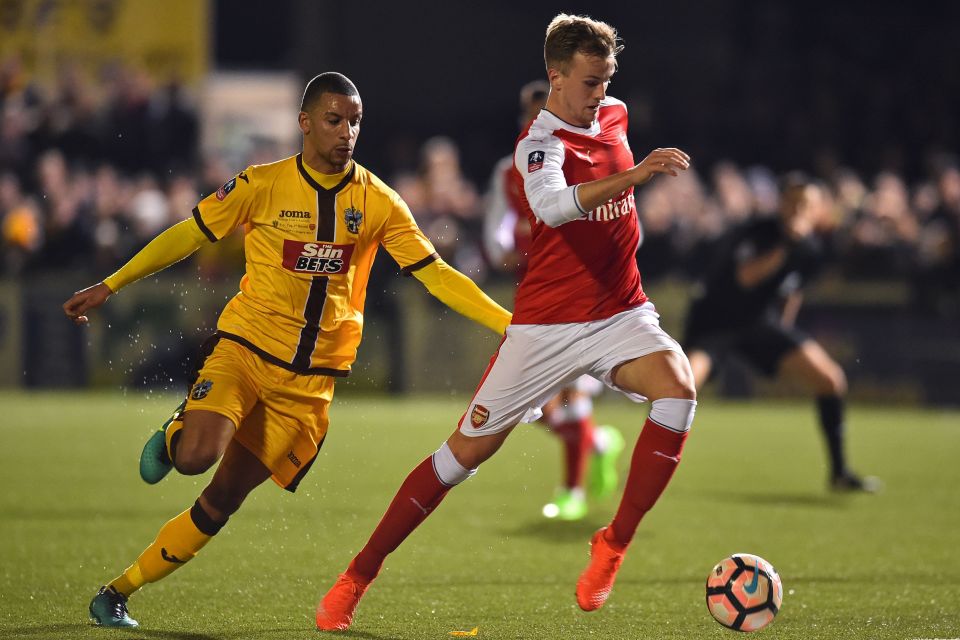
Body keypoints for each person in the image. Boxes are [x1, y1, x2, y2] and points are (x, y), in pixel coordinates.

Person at [62, 72, 512, 628]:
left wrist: (508, 323)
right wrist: (112, 283)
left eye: (355, 121)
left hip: (308, 387)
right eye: (334, 119)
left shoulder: (379, 202)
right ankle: (179, 429)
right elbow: (190, 233)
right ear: (304, 122)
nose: (347, 132)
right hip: (245, 350)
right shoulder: (261, 184)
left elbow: (437, 276)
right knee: (195, 457)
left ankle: (118, 592)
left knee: (221, 501)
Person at [315, 15, 696, 631]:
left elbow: (619, 212)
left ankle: (613, 544)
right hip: (546, 327)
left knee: (679, 390)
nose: (601, 92)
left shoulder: (617, 114)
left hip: (622, 310)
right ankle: (358, 574)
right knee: (460, 457)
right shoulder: (537, 145)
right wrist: (636, 175)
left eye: (607, 79)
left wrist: (630, 209)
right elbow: (550, 205)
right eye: (590, 81)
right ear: (556, 76)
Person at [683, 173, 880, 492]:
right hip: (715, 323)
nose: (797, 210)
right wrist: (787, 246)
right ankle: (651, 466)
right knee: (683, 388)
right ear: (782, 204)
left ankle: (839, 474)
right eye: (792, 202)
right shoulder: (759, 231)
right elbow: (746, 278)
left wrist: (783, 338)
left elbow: (794, 290)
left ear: (818, 210)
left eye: (805, 204)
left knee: (830, 380)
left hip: (759, 324)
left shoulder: (812, 249)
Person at [483, 79, 624, 521]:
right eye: (530, 113)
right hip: (534, 294)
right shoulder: (510, 170)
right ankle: (597, 444)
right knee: (516, 402)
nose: (536, 120)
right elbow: (497, 227)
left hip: (582, 293)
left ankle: (572, 491)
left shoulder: (584, 159)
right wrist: (503, 248)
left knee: (568, 396)